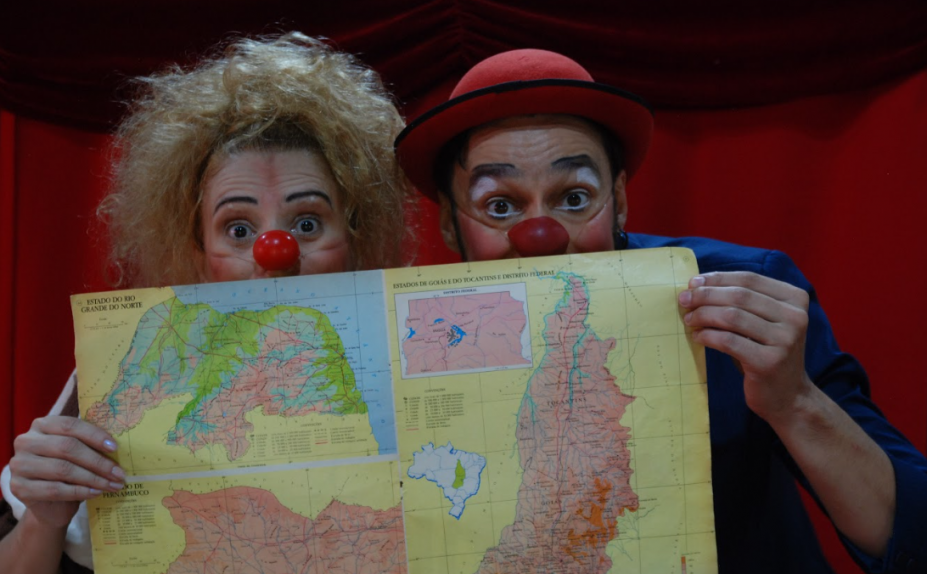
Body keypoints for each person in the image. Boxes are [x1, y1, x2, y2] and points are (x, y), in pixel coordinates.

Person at [394, 49, 927, 573]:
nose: (541, 235)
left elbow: (911, 534)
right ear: (449, 226)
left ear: (620, 201)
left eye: (574, 198)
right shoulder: (410, 338)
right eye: (500, 206)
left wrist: (794, 401)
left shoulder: (742, 292)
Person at [0, 32, 409, 574]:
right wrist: (43, 520)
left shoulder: (419, 353)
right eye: (238, 228)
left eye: (308, 223)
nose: (275, 251)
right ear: (199, 254)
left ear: (355, 235)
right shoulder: (127, 371)